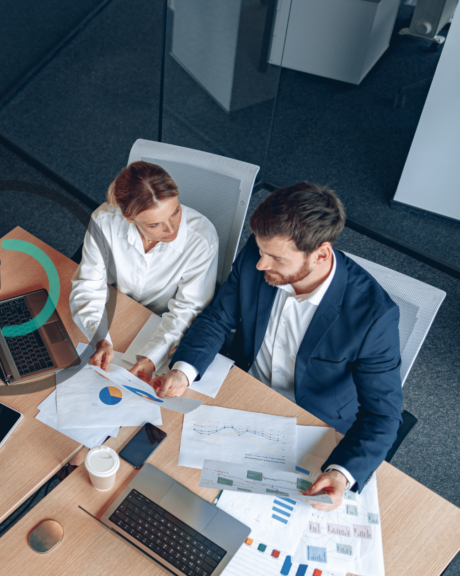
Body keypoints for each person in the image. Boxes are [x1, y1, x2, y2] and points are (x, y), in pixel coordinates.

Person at [154, 183, 403, 510]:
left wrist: (342, 474)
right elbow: (218, 317)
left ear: (321, 254)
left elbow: (383, 415)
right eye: (260, 251)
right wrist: (183, 372)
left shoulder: (373, 316)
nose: (260, 265)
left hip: (313, 422)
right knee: (176, 482)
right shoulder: (259, 253)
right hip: (243, 392)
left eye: (275, 257)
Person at [71, 160, 220, 381]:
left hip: (164, 322)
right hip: (119, 310)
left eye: (175, 211)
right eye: (154, 225)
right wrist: (100, 338)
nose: (171, 228)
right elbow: (88, 287)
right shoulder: (104, 221)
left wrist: (151, 357)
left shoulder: (202, 238)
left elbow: (188, 309)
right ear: (128, 218)